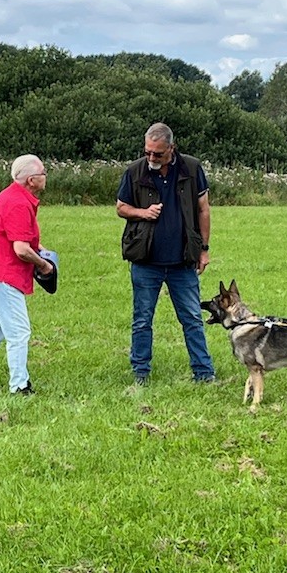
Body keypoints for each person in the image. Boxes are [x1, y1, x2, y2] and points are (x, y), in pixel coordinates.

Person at [116, 122, 215, 385]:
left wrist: (203, 250)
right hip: (146, 260)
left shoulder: (191, 168)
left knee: (192, 318)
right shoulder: (134, 171)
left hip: (183, 260)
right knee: (142, 320)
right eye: (147, 152)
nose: (151, 157)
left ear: (172, 148)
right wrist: (142, 213)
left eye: (157, 153)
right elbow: (121, 207)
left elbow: (203, 210)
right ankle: (140, 372)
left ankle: (204, 372)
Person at [0, 154, 53, 394]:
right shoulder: (18, 203)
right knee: (19, 331)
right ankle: (20, 385)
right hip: (4, 273)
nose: (46, 176)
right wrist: (44, 265)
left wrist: (40, 249)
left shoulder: (14, 196)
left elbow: (21, 237)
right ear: (32, 180)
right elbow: (21, 249)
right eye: (43, 172)